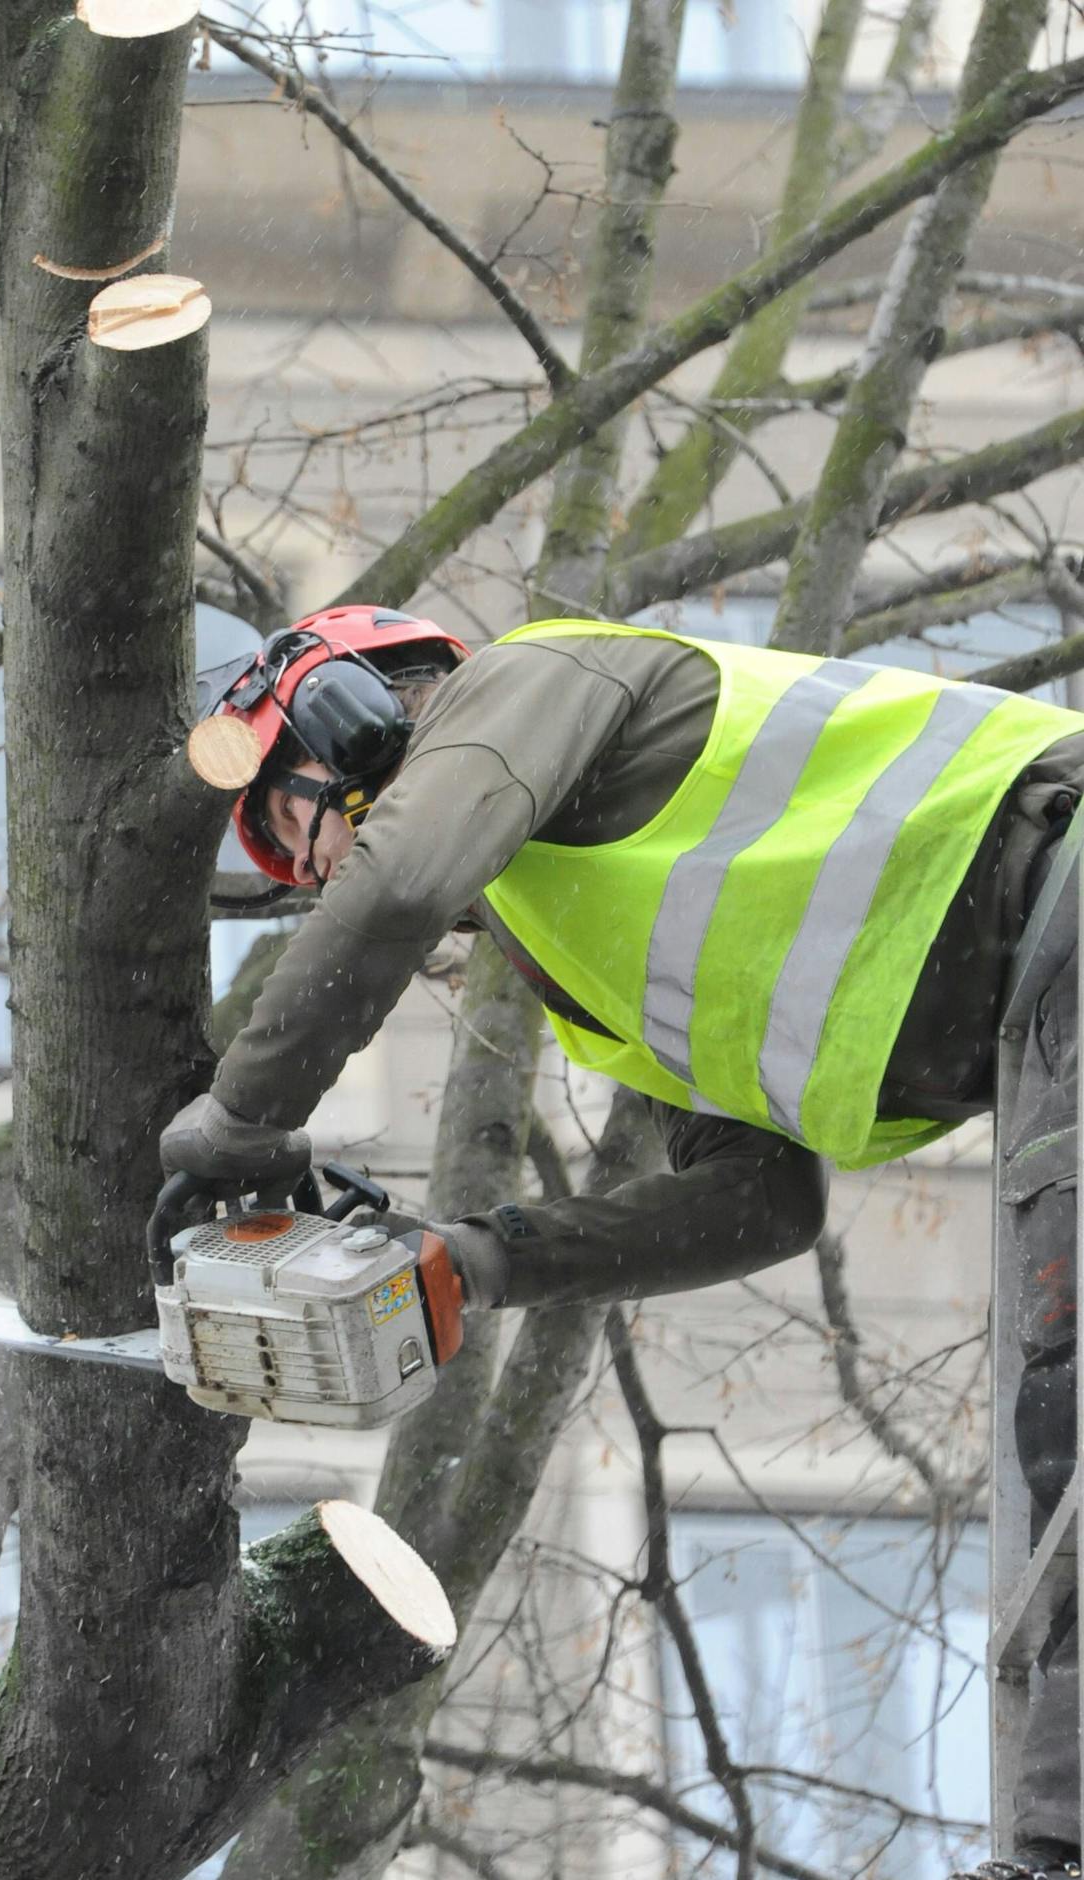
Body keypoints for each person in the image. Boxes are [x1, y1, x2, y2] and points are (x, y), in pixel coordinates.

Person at [160, 604, 1084, 1880]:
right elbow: (759, 1199)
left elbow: (398, 880)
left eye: (286, 820)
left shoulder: (528, 679)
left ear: (349, 714)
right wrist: (471, 1262)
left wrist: (242, 1119)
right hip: (1038, 1011)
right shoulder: (588, 968)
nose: (306, 873)